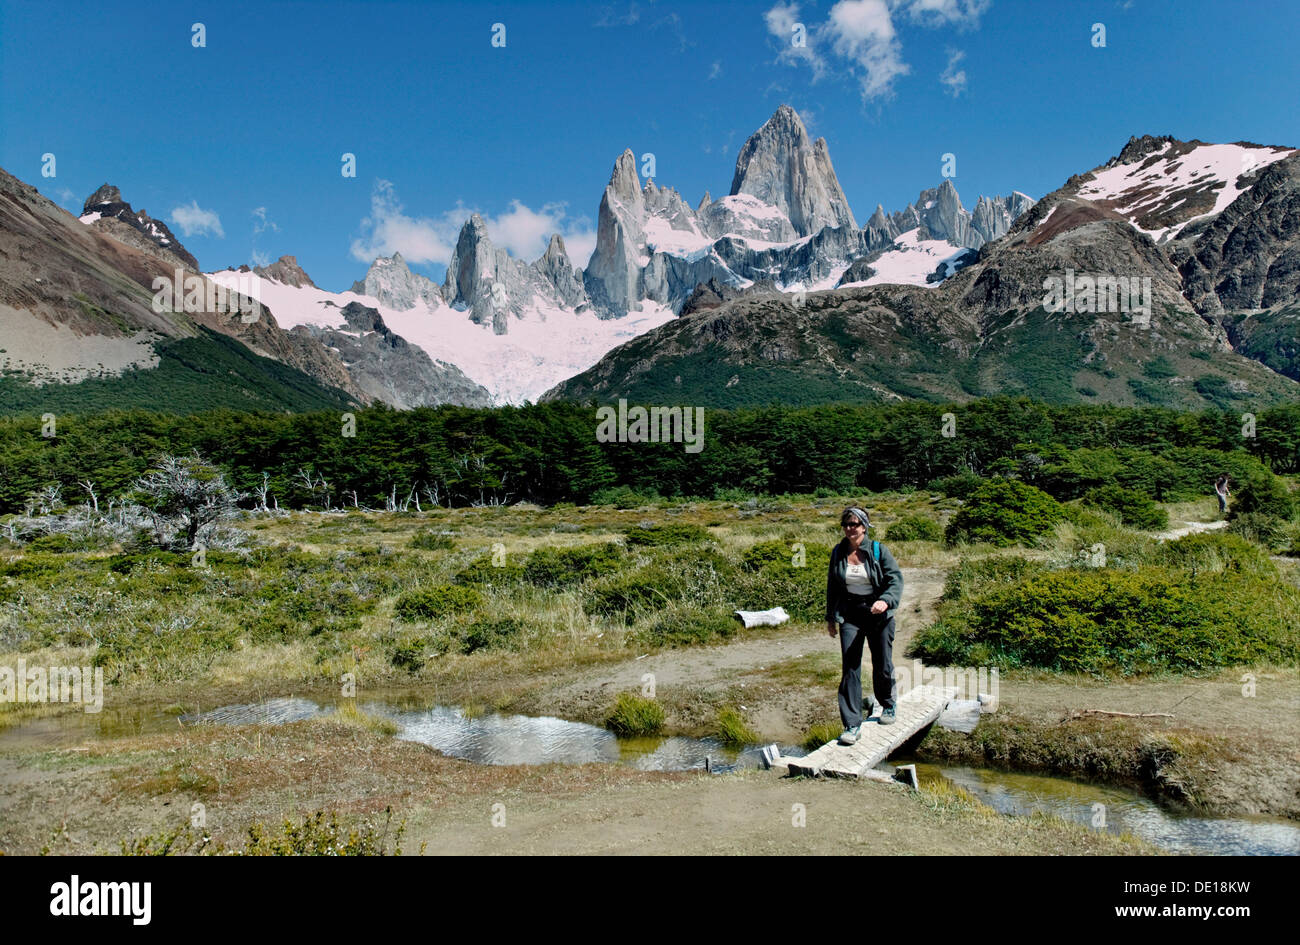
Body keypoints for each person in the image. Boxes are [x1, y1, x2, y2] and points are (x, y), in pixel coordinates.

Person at [825, 507, 904, 745]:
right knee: (850, 667)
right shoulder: (838, 552)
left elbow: (895, 581)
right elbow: (833, 586)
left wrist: (885, 601)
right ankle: (851, 725)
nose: (850, 528)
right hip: (851, 613)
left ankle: (888, 704)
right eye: (846, 524)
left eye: (855, 524)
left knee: (882, 662)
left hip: (878, 612)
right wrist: (831, 617)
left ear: (865, 526)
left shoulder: (879, 550)